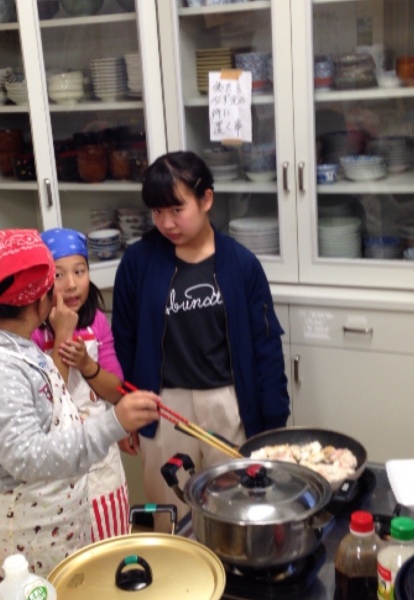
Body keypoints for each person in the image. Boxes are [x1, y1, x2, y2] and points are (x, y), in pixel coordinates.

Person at [0, 229, 158, 599]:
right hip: (15, 549)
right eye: (55, 282)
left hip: (43, 535)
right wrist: (114, 423)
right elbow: (28, 458)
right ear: (39, 301)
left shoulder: (14, 345)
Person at [112, 151, 290, 525]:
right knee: (169, 515)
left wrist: (274, 422)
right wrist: (123, 413)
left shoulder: (241, 264)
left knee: (234, 511)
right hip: (162, 407)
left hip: (227, 403)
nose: (166, 223)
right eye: (157, 211)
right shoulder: (138, 262)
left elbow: (266, 345)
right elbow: (123, 340)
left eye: (177, 209)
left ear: (206, 199)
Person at [31, 227, 132, 541]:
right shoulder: (34, 331)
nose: (72, 284)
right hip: (58, 455)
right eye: (58, 275)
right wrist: (62, 334)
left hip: (101, 456)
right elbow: (49, 402)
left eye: (79, 271)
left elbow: (116, 391)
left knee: (110, 543)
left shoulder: (97, 321)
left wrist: (88, 365)